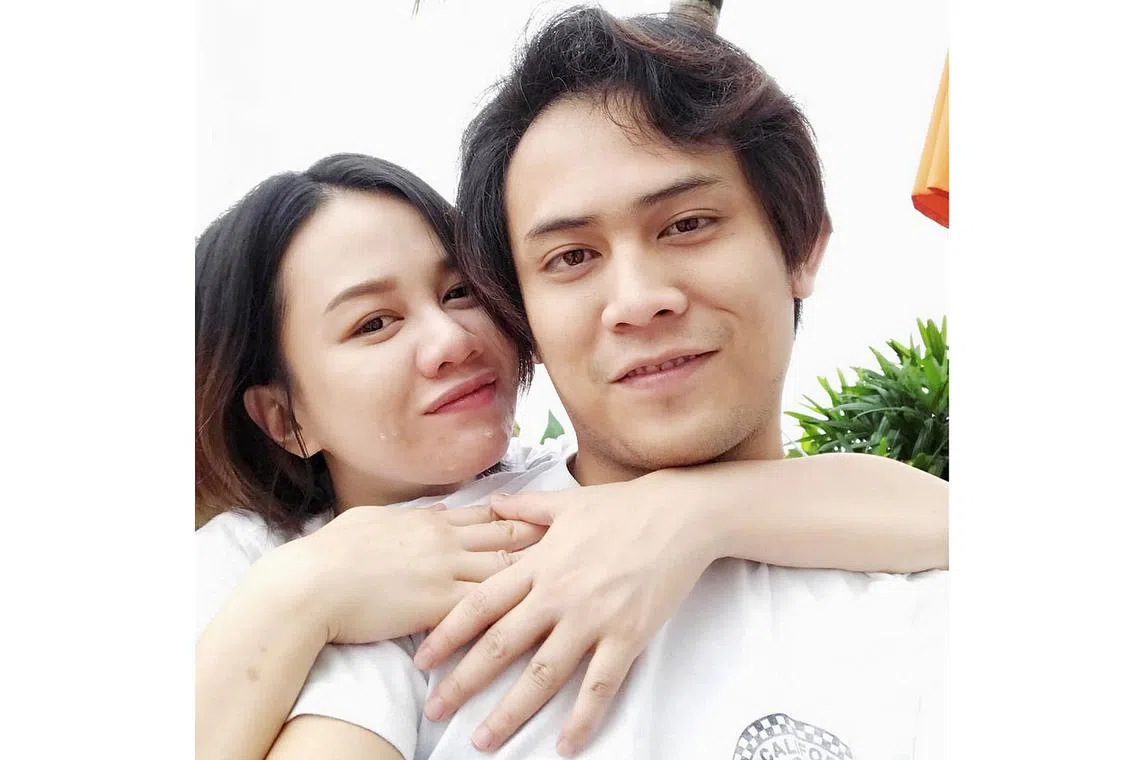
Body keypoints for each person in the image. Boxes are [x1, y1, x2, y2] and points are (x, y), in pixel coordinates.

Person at [236, 7, 949, 760]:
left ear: (800, 245)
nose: (638, 300)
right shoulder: (425, 579)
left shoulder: (922, 588)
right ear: (521, 313)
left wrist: (697, 510)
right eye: (571, 257)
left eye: (687, 224)